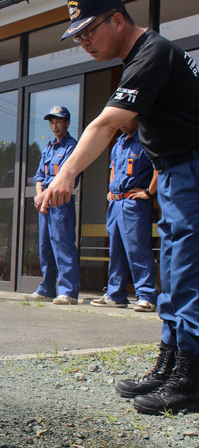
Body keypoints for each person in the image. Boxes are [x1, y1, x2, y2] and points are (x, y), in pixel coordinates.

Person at [40, 0, 199, 415]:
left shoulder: (153, 53)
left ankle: (191, 379)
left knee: (187, 271)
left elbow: (107, 123)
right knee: (170, 269)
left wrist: (67, 173)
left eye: (89, 30)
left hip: (190, 169)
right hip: (172, 171)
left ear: (116, 19)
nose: (84, 41)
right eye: (77, 36)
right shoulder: (141, 57)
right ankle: (170, 365)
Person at [90, 118, 157, 312]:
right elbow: (113, 170)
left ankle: (146, 296)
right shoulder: (118, 143)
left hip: (134, 204)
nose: (122, 122)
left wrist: (149, 192)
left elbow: (158, 169)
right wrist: (111, 191)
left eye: (126, 118)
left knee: (137, 250)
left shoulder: (145, 141)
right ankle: (115, 294)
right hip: (116, 203)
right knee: (116, 251)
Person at [29, 106, 81, 305]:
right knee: (45, 246)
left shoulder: (72, 147)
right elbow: (40, 176)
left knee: (63, 244)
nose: (55, 125)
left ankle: (68, 291)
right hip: (46, 204)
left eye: (58, 121)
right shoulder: (48, 148)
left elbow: (66, 176)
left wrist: (45, 196)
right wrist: (39, 195)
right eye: (51, 122)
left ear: (67, 123)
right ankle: (47, 287)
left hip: (61, 203)